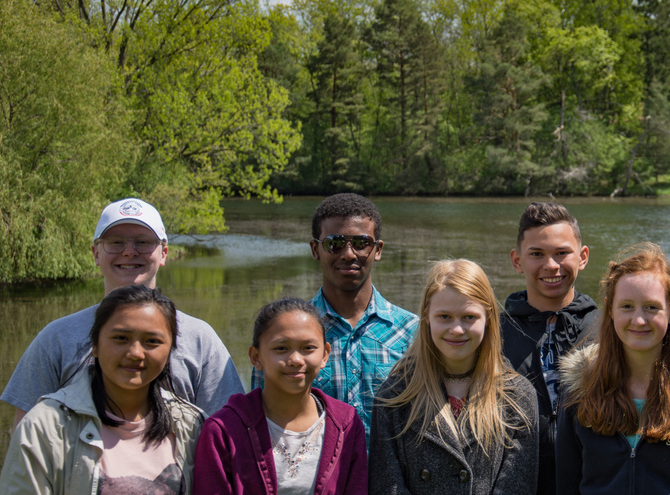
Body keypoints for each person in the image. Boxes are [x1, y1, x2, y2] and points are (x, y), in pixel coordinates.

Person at [1, 197, 244, 425]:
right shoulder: (56, 338)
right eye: (116, 242)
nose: (129, 252)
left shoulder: (201, 339)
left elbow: (227, 433)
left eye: (143, 241)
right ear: (96, 254)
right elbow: (26, 435)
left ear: (164, 253)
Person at [556, 244, 670, 494]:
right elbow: (566, 484)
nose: (639, 320)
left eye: (652, 307)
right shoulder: (579, 388)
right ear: (609, 309)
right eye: (627, 306)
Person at [0, 285, 204, 494]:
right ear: (95, 345)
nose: (135, 353)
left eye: (152, 341)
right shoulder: (45, 427)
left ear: (169, 353)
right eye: (121, 338)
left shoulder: (192, 426)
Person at [252, 193, 417, 440]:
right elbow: (260, 421)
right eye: (334, 243)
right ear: (315, 249)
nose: (348, 254)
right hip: (312, 476)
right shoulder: (284, 335)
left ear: (378, 249)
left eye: (361, 243)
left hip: (388, 477)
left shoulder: (412, 332)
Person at [369, 259, 538, 494]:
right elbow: (387, 486)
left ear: (488, 318)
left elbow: (517, 486)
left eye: (469, 317)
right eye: (444, 317)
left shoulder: (518, 396)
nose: (457, 329)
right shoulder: (395, 396)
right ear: (426, 315)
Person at [194, 298, 368, 494]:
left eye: (308, 348)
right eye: (281, 349)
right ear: (255, 357)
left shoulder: (347, 425)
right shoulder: (223, 430)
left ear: (325, 355)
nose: (295, 359)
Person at [501, 202, 597, 495]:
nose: (551, 266)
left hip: (592, 481)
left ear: (582, 257)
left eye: (561, 253)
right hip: (517, 482)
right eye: (537, 255)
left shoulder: (608, 329)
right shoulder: (495, 334)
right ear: (517, 261)